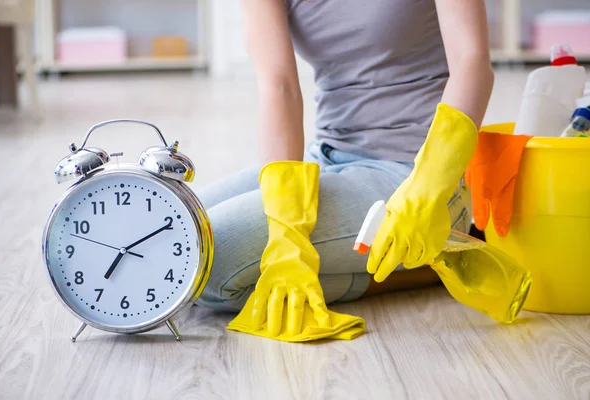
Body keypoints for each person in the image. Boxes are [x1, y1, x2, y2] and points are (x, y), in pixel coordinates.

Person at [195, 0, 494, 326]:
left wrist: (427, 188)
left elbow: (473, 65)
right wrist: (285, 232)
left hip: (414, 176)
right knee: (177, 235)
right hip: (324, 161)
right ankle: (411, 264)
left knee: (210, 266)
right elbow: (279, 86)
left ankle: (426, 258)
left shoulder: (423, 183)